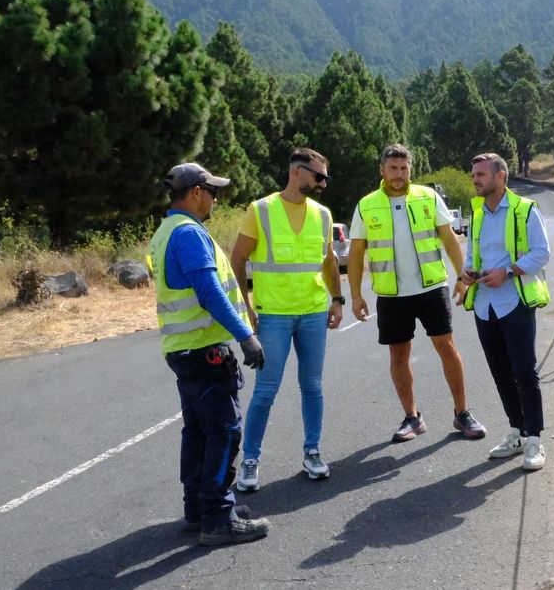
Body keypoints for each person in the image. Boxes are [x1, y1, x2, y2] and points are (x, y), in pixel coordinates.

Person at [149, 162, 271, 545]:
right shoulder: (188, 234)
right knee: (223, 431)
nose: (216, 197)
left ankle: (199, 507)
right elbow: (209, 291)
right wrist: (246, 335)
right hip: (202, 350)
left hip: (184, 350)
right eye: (212, 190)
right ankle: (218, 517)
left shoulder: (166, 230)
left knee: (199, 431)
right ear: (196, 192)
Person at [347, 143, 488, 443]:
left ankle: (462, 413)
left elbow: (449, 239)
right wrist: (356, 295)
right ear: (382, 170)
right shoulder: (366, 205)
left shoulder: (428, 196)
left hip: (431, 288)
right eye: (393, 168)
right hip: (391, 295)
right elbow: (356, 252)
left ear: (410, 169)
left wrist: (462, 277)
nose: (399, 174)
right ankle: (412, 417)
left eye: (404, 168)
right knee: (398, 354)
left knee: (447, 348)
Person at [230, 148, 344, 492]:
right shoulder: (260, 210)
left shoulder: (322, 214)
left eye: (324, 177)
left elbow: (328, 262)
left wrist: (337, 300)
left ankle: (312, 452)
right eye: (318, 176)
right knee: (266, 391)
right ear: (297, 172)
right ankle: (249, 460)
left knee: (312, 387)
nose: (322, 183)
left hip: (312, 312)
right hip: (274, 315)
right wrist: (245, 308)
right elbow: (237, 261)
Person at [458, 153, 551, 471]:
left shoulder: (525, 210)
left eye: (481, 174)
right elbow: (471, 251)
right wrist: (468, 271)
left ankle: (535, 440)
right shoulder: (476, 212)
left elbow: (542, 252)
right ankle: (517, 432)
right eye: (474, 175)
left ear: (501, 177)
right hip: (484, 305)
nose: (475, 179)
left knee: (525, 372)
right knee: (501, 373)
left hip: (515, 302)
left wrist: (508, 272)